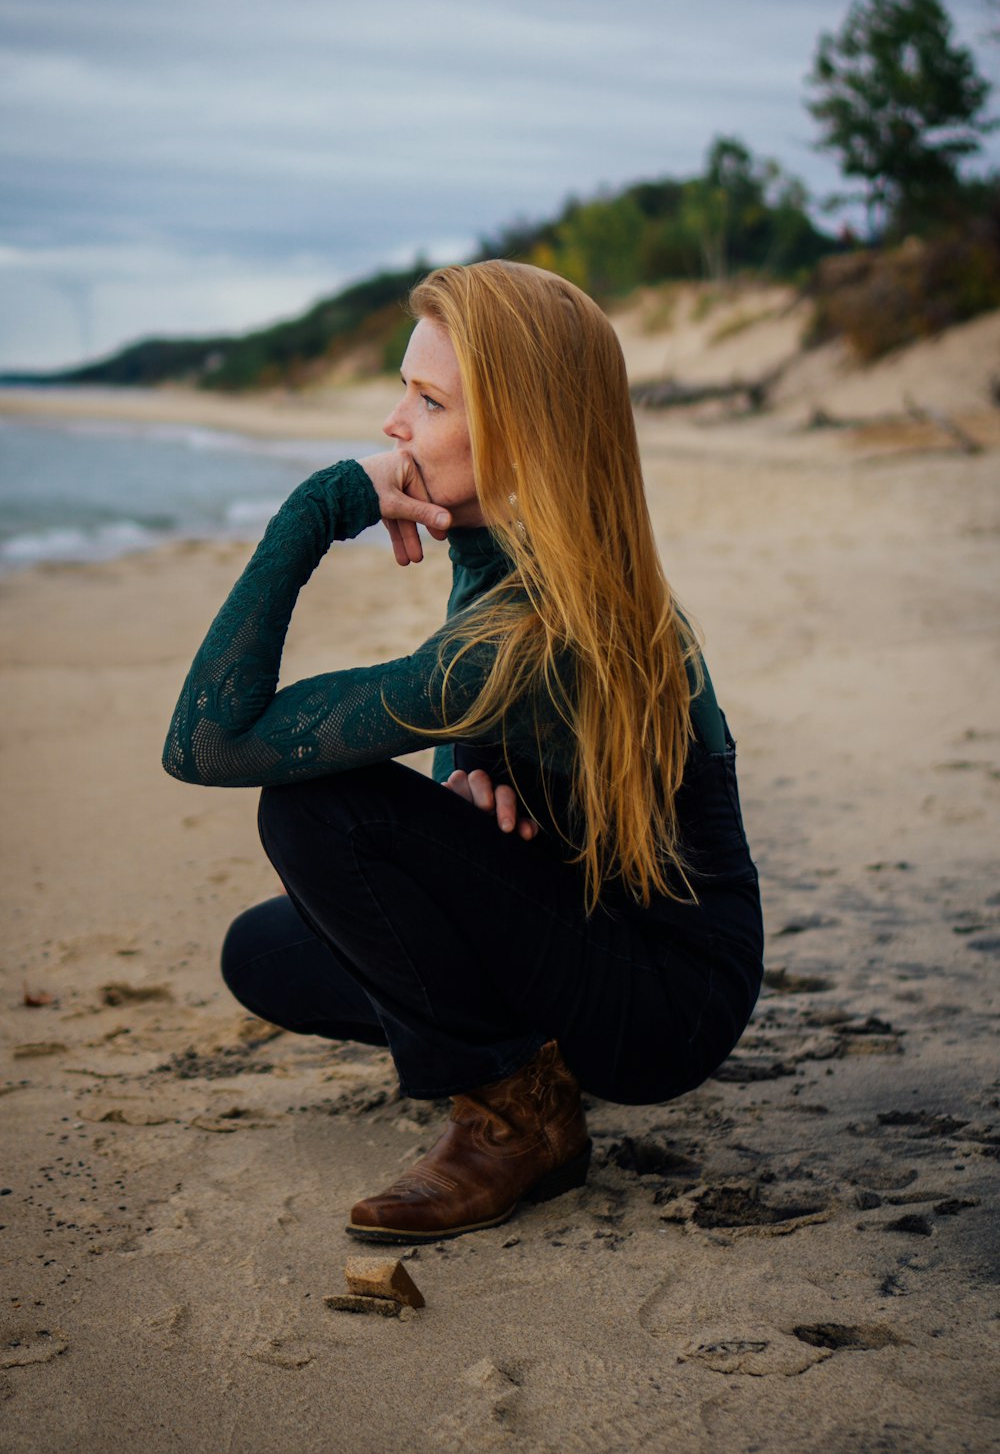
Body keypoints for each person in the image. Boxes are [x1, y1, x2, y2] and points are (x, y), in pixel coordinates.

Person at [163, 259, 763, 1244]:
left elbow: (207, 738)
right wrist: (472, 773)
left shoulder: (531, 627)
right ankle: (522, 1045)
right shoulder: (516, 551)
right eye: (403, 388)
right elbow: (467, 775)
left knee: (313, 809)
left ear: (521, 429)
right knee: (262, 953)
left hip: (665, 999)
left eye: (428, 397)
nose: (394, 423)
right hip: (598, 922)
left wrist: (318, 508)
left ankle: (516, 1117)